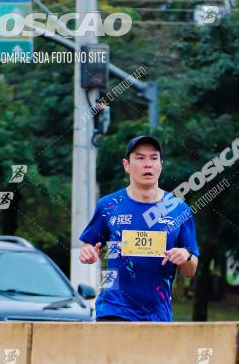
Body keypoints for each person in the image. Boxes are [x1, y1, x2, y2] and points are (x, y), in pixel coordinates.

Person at [79, 135, 199, 321]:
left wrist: (185, 255)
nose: (148, 164)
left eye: (153, 158)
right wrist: (87, 252)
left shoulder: (179, 209)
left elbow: (189, 271)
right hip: (113, 310)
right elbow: (88, 244)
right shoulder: (109, 205)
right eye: (140, 158)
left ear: (161, 164)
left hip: (158, 314)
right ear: (126, 165)